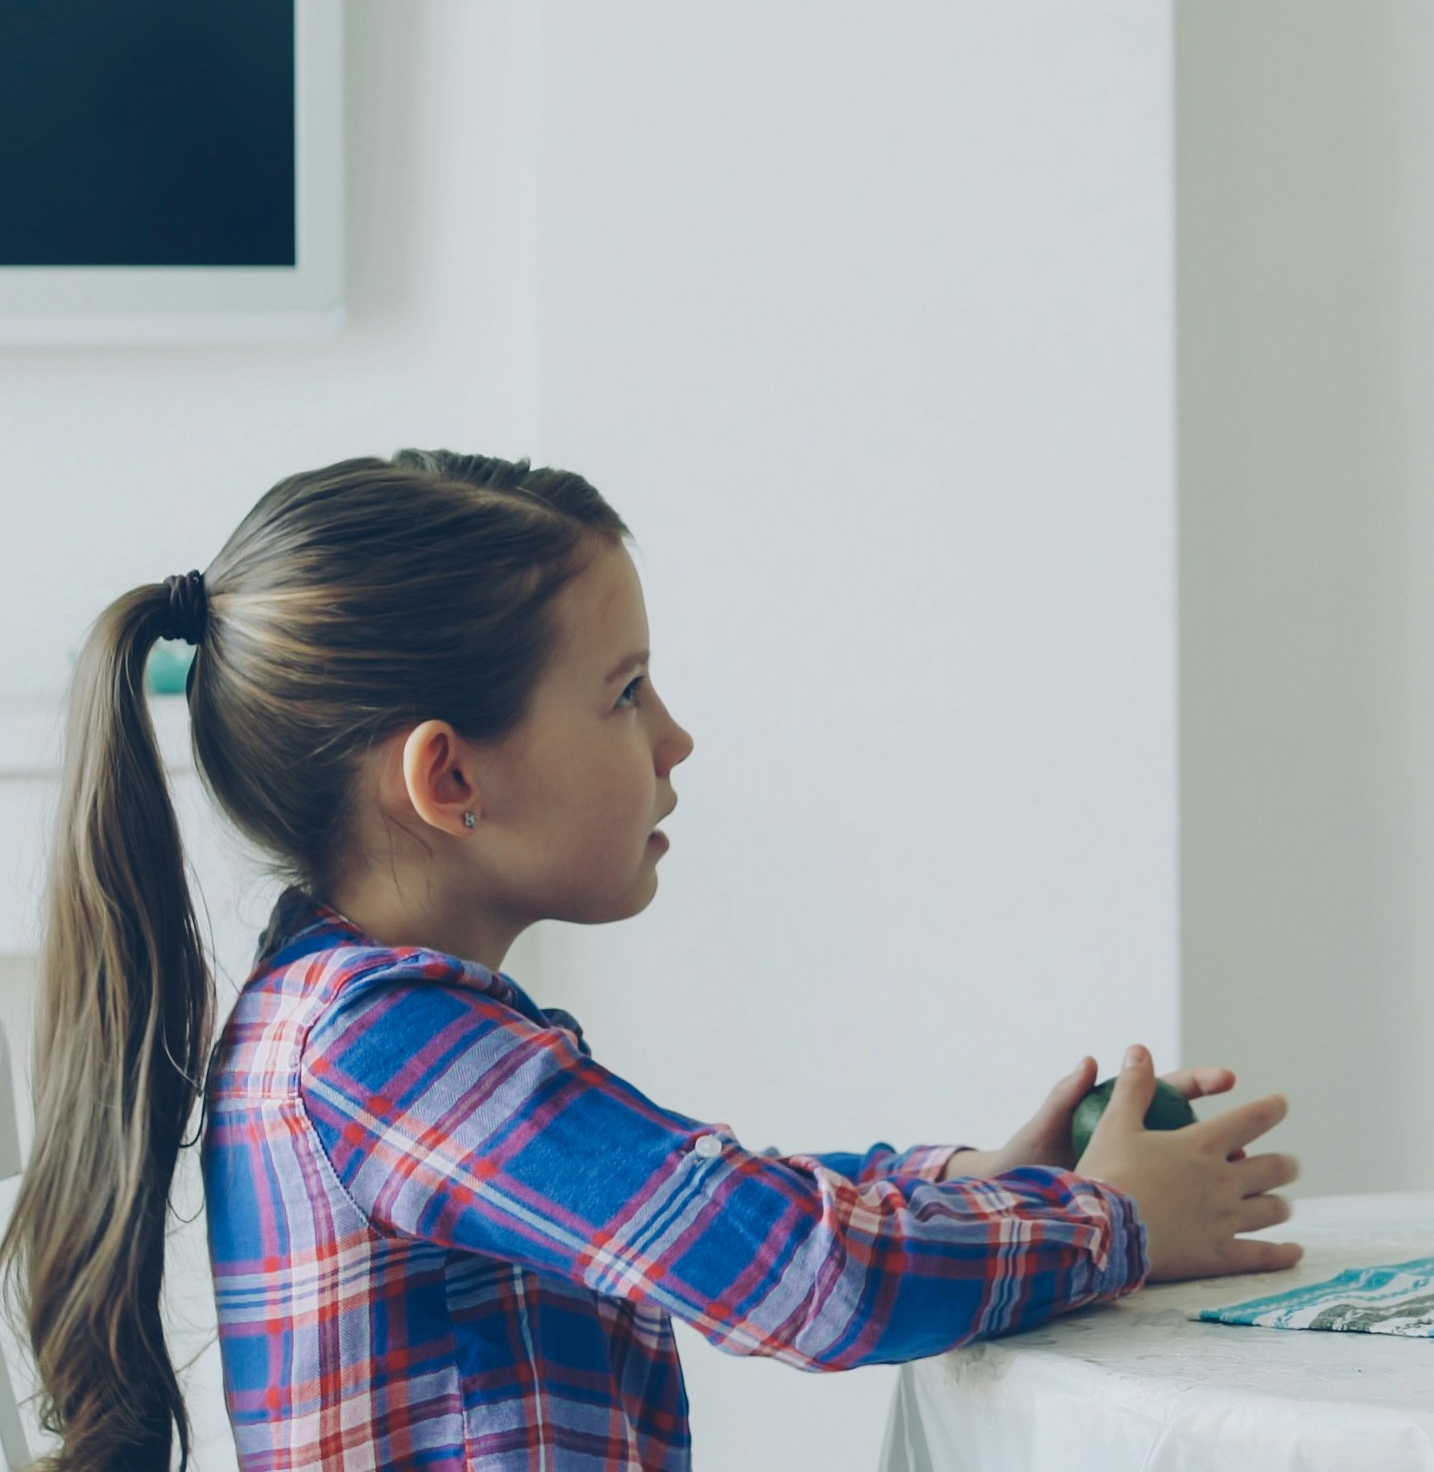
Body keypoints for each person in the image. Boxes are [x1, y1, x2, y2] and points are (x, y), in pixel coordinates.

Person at [0, 451, 1298, 1470]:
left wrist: (970, 1179)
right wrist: (1116, 1222)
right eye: (625, 692)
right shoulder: (382, 1046)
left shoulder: (357, 1022)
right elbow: (809, 1277)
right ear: (449, 773)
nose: (675, 739)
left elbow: (705, 1196)